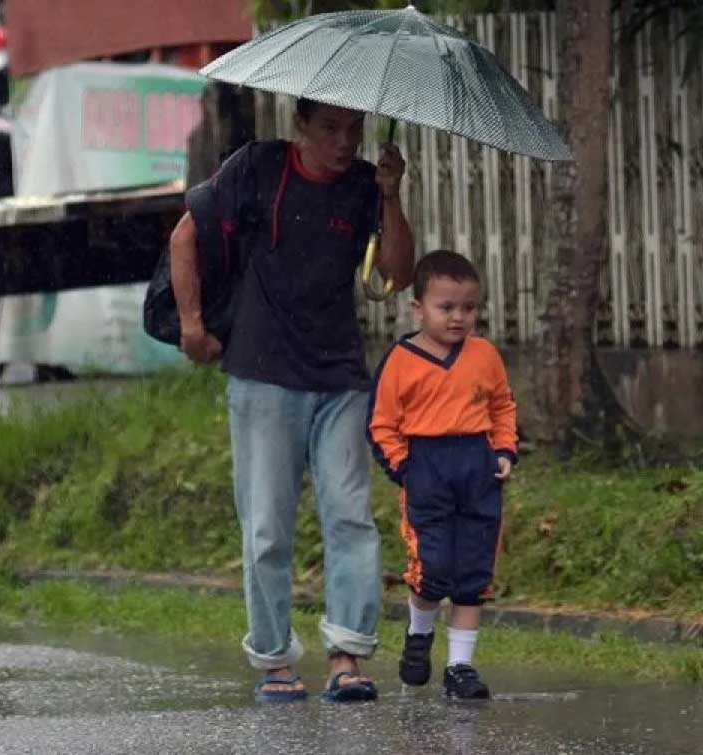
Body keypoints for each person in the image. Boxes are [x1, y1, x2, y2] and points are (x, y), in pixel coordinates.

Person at [169, 98, 415, 702]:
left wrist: (390, 194)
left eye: (353, 129)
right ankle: (274, 659)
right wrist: (193, 325)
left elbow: (397, 273)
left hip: (339, 375)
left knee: (351, 516)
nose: (344, 141)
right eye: (330, 128)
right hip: (263, 371)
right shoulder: (257, 168)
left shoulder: (364, 185)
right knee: (267, 526)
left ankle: (348, 655)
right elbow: (184, 235)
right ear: (299, 126)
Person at [368, 250, 517, 700]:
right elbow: (381, 424)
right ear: (418, 308)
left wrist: (504, 449)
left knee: (473, 573)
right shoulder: (401, 359)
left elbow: (502, 406)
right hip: (426, 470)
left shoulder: (484, 355)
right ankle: (419, 634)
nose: (458, 318)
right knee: (432, 570)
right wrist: (404, 467)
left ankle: (460, 668)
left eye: (469, 308)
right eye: (446, 307)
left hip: (477, 469)